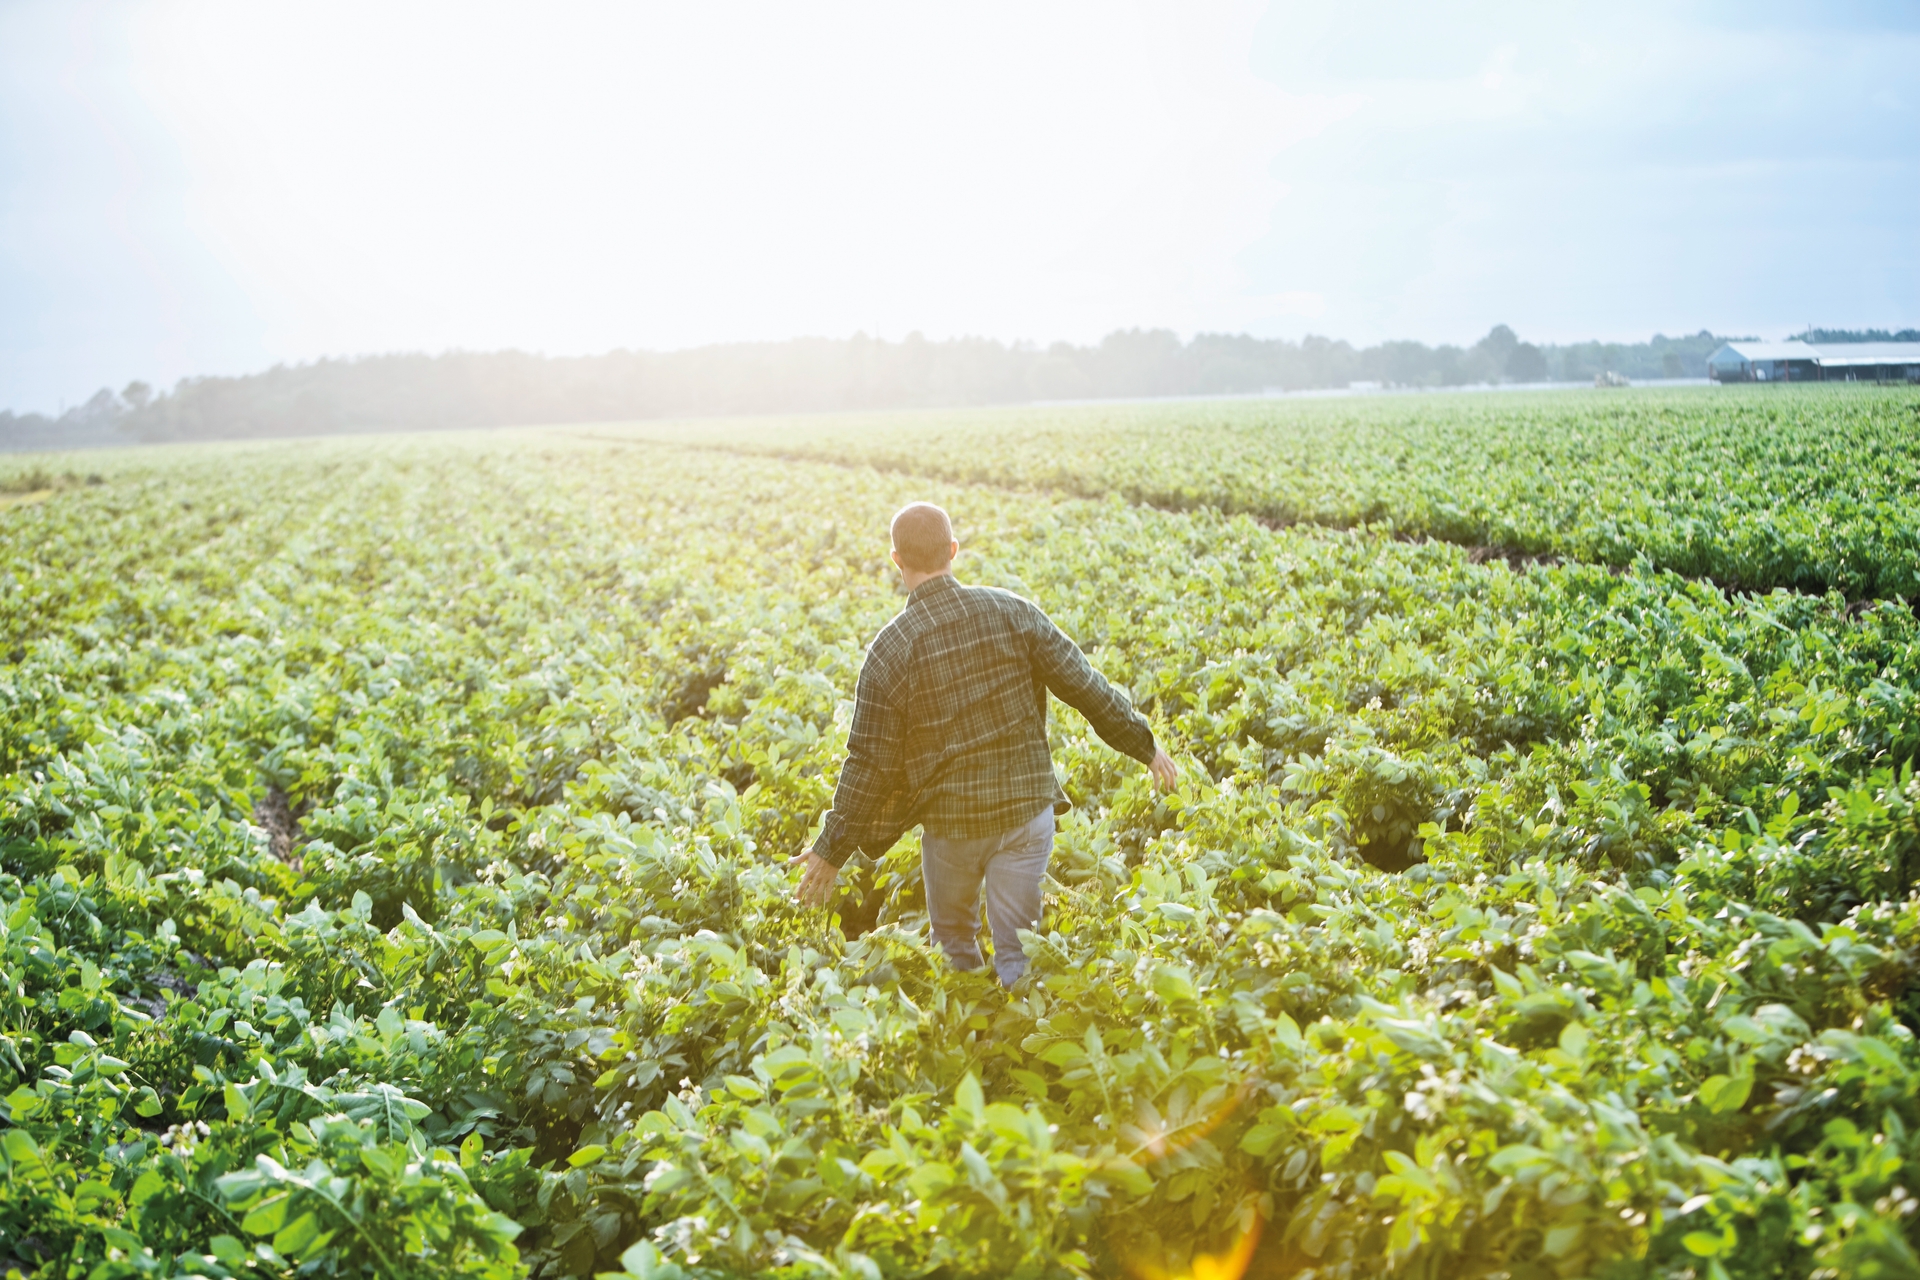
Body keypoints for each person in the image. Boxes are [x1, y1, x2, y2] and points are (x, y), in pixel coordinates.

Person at [791, 501, 1178, 986]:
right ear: (953, 550)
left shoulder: (891, 649)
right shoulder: (1013, 611)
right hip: (1025, 814)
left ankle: (973, 1044)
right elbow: (1084, 685)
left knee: (953, 944)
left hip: (954, 827)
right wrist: (1144, 745)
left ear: (896, 560)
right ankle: (1024, 1036)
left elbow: (870, 762)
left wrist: (830, 849)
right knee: (1021, 950)